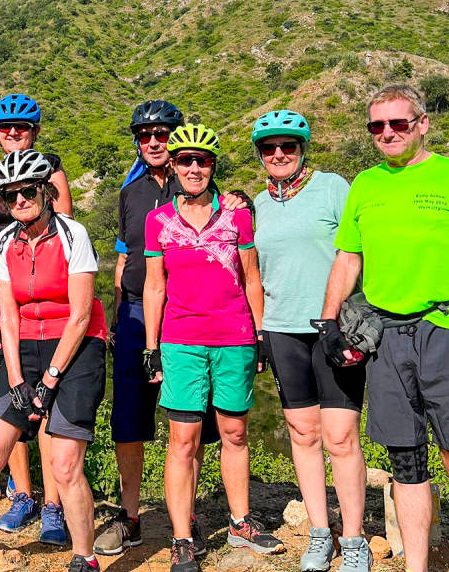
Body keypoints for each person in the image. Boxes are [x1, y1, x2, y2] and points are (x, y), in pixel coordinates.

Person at [319, 84, 449, 572]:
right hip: (385, 338)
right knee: (406, 464)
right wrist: (329, 324)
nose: (387, 133)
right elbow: (347, 260)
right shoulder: (365, 184)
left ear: (422, 123)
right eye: (377, 126)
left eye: (398, 123)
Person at [0, 149, 107, 572]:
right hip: (26, 347)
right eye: (10, 196)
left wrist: (50, 380)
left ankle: (84, 557)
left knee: (65, 464)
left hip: (76, 346)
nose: (19, 201)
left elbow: (82, 314)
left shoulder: (74, 235)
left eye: (27, 192)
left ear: (46, 192)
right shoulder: (3, 240)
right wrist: (15, 378)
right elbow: (9, 315)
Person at [143, 124, 284, 572]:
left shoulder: (237, 215)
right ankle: (182, 537)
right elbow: (153, 286)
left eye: (202, 161)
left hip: (235, 336)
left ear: (212, 167)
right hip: (181, 339)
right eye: (184, 160)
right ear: (173, 165)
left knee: (235, 433)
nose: (193, 168)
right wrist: (151, 345)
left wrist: (260, 334)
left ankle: (241, 523)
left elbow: (251, 277)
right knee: (182, 440)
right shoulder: (158, 220)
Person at [95, 101, 224, 558]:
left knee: (189, 417)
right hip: (133, 313)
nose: (154, 142)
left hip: (185, 312)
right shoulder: (130, 192)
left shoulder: (195, 178)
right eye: (145, 135)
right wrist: (114, 312)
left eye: (162, 134)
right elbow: (125, 255)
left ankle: (184, 520)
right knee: (129, 417)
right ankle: (130, 517)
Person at [251, 110, 368, 572]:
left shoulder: (333, 188)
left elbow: (355, 251)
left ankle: (355, 538)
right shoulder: (257, 203)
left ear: (302, 150)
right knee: (303, 433)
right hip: (282, 329)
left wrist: (344, 314)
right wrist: (260, 329)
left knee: (341, 437)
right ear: (260, 155)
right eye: (269, 148)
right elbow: (253, 272)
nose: (279, 154)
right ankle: (321, 532)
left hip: (333, 328)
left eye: (289, 146)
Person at [0, 93, 73, 541]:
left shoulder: (52, 171)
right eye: (6, 128)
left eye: (22, 127)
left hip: (46, 305)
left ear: (35, 130)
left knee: (45, 407)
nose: (13, 134)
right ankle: (22, 496)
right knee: (10, 399)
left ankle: (54, 504)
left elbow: (67, 239)